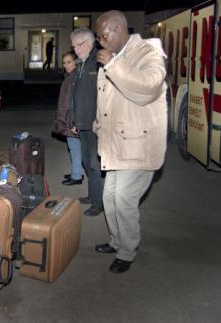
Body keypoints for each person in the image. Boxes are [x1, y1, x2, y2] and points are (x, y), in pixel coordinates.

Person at [93, 10, 167, 273]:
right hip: (116, 143)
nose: (101, 41)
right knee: (109, 196)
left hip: (138, 144)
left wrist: (113, 65)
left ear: (119, 28)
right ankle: (116, 241)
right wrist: (99, 120)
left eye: (104, 34)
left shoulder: (148, 53)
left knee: (124, 197)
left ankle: (127, 250)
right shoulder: (115, 56)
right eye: (98, 36)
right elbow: (111, 97)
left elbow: (148, 87)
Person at [70, 27, 104, 216]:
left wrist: (98, 119)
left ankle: (98, 203)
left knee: (94, 163)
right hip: (82, 122)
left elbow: (104, 96)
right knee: (85, 160)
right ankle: (92, 195)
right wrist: (74, 120)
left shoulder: (98, 62)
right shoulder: (81, 63)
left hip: (94, 124)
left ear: (89, 43)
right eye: (74, 46)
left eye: (78, 45)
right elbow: (77, 96)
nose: (75, 49)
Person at [53, 51, 83, 186]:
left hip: (71, 119)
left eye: (69, 62)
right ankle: (76, 172)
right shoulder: (69, 76)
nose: (66, 65)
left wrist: (73, 121)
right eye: (64, 63)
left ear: (75, 61)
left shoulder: (76, 77)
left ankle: (77, 176)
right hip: (67, 118)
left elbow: (76, 102)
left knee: (74, 147)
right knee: (73, 147)